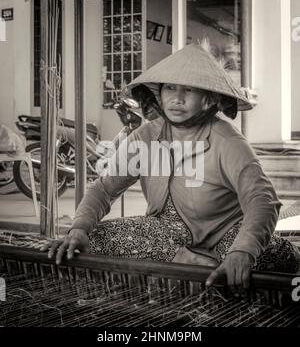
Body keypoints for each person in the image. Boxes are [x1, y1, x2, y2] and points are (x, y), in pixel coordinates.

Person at [42, 43, 300, 296]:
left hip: (225, 234)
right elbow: (104, 189)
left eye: (189, 89)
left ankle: (202, 266)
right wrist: (78, 227)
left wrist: (242, 251)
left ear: (208, 98)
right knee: (90, 240)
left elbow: (262, 201)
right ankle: (192, 264)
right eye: (170, 88)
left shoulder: (228, 141)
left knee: (277, 256)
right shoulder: (144, 138)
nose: (177, 98)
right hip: (165, 236)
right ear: (159, 95)